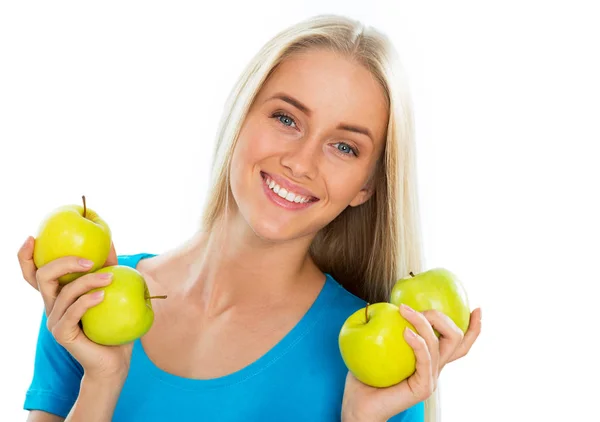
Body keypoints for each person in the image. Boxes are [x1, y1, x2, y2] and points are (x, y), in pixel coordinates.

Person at [17, 14, 481, 422]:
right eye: (286, 119)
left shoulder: (386, 360)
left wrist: (360, 420)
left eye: (344, 146)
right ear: (241, 115)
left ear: (366, 186)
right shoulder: (87, 303)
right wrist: (103, 378)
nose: (301, 162)